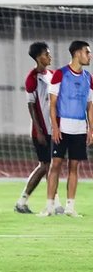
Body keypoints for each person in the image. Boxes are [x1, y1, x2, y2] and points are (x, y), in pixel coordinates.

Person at [40, 40, 93, 217]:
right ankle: (49, 206)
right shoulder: (60, 74)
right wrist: (55, 127)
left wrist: (90, 129)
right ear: (77, 53)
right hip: (62, 127)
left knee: (74, 167)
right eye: (88, 52)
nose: (90, 56)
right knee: (55, 166)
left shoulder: (88, 78)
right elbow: (52, 104)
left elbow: (90, 106)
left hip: (79, 129)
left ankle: (70, 207)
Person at [14, 42, 63, 214]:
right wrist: (39, 130)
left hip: (54, 129)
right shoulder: (32, 78)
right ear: (38, 57)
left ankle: (54, 205)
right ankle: (23, 202)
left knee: (52, 166)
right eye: (46, 54)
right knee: (46, 166)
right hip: (41, 131)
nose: (50, 56)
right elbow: (31, 106)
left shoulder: (53, 75)